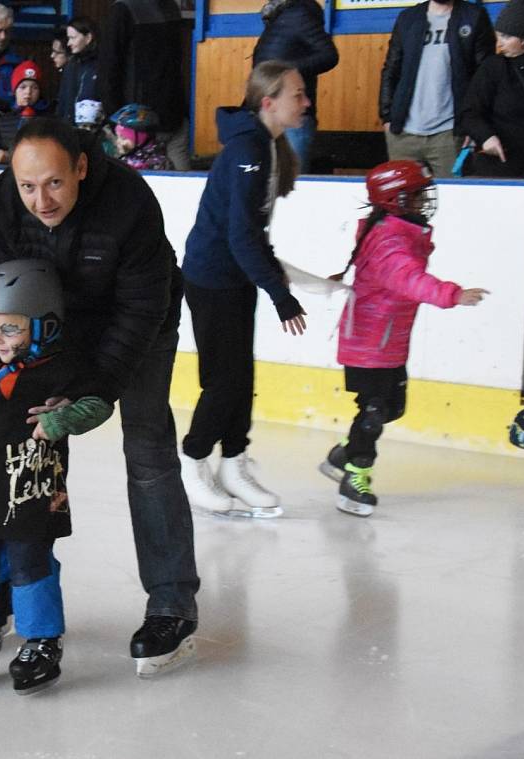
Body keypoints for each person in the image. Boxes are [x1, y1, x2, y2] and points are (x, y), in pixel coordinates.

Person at [0, 117, 200, 677]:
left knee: (147, 449)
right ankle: (12, 589)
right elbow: (0, 282)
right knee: (23, 446)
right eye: (28, 185)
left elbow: (141, 309)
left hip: (139, 328)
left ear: (81, 166)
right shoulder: (6, 196)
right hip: (51, 326)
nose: (40, 200)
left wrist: (98, 389)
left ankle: (172, 603)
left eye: (53, 183)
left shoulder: (129, 200)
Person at [0, 259, 113, 692]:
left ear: (43, 327)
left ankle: (41, 639)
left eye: (10, 330)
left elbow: (99, 404)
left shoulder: (66, 366)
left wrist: (64, 419)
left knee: (29, 562)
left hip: (34, 488)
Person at [319, 160, 488, 517]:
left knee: (393, 407)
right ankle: (355, 477)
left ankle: (343, 455)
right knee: (375, 411)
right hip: (369, 341)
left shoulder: (398, 231)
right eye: (415, 196)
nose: (423, 202)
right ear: (395, 200)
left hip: (387, 340)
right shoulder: (390, 240)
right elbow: (408, 279)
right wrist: (453, 295)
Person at [179, 61, 309, 519]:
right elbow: (238, 236)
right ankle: (193, 460)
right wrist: (280, 293)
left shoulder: (267, 146)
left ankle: (234, 463)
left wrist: (275, 275)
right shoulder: (247, 149)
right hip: (212, 277)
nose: (306, 102)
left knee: (242, 378)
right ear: (269, 101)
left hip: (235, 277)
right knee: (224, 380)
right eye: (298, 94)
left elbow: (253, 232)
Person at [379, 0, 494, 177]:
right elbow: (391, 69)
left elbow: (485, 76)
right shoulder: (408, 18)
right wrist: (387, 115)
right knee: (402, 201)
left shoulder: (474, 16)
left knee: (454, 199)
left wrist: (475, 125)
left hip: (451, 133)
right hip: (403, 133)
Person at [460, 0, 524, 178]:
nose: (499, 43)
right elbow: (470, 112)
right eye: (499, 35)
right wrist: (486, 137)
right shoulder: (493, 67)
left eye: (507, 37)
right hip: (497, 165)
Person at [98, 0, 190, 170]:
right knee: (183, 184)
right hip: (169, 116)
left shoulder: (124, 9)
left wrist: (117, 120)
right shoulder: (168, 7)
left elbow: (108, 68)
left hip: (138, 121)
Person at [252, 0, 339, 172]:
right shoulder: (281, 15)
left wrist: (284, 74)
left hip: (291, 116)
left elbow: (329, 55)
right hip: (271, 113)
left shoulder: (299, 13)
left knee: (290, 182)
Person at [0, 60, 49, 165]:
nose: (28, 92)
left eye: (34, 88)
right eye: (23, 87)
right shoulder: (4, 120)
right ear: (15, 90)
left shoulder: (48, 121)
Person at [56, 16, 102, 129]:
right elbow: (63, 101)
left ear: (88, 38)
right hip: (69, 130)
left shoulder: (102, 66)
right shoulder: (71, 65)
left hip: (95, 132)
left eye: (73, 38)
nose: (68, 43)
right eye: (68, 38)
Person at [106, 103, 172, 171]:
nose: (118, 142)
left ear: (140, 140)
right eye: (118, 136)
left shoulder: (156, 164)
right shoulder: (126, 158)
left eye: (124, 138)